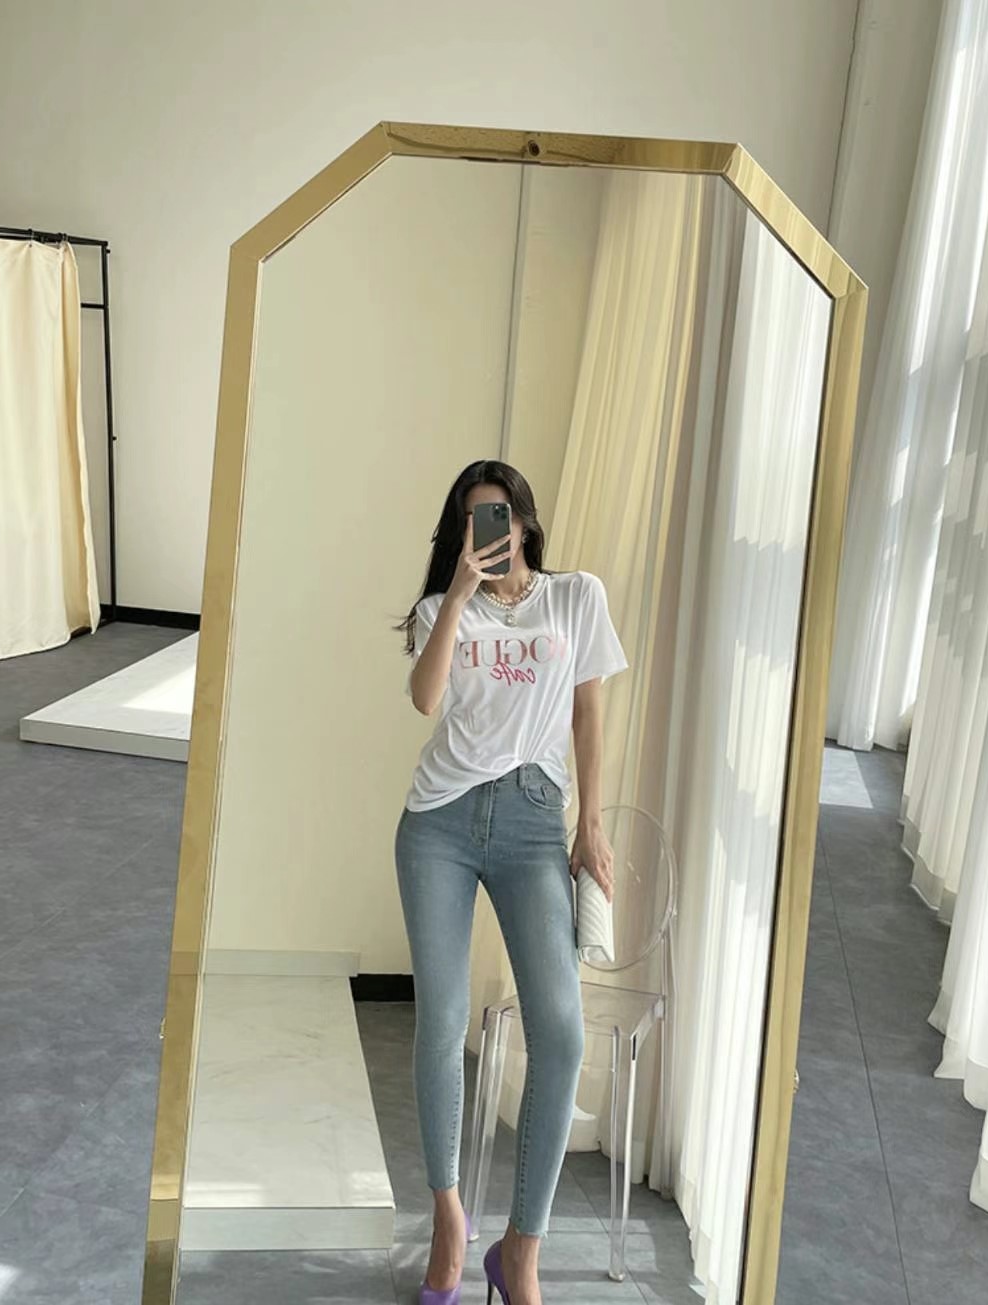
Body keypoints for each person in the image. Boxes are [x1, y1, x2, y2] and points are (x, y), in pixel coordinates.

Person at [393, 459, 629, 1305]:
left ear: (525, 520)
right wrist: (459, 594)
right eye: (472, 520)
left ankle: (520, 1250)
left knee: (560, 1034)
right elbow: (425, 701)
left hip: (534, 822)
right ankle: (449, 1220)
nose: (488, 532)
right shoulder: (439, 609)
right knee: (442, 1020)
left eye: (499, 515)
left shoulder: (576, 597)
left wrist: (590, 823)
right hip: (440, 824)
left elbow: (588, 712)